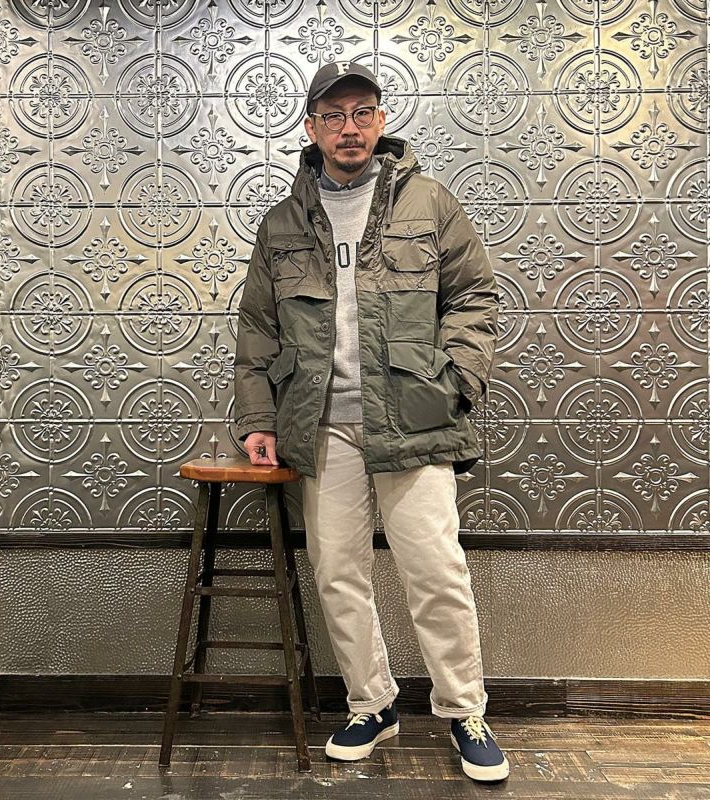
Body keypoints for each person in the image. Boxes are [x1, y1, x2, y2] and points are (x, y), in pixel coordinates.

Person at [233, 61, 507, 783]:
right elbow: (257, 328)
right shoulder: (282, 222)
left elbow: (475, 295)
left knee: (436, 571)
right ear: (311, 128)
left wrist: (458, 380)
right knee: (337, 574)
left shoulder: (430, 200)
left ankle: (465, 710)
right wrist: (258, 417)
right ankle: (371, 704)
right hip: (321, 423)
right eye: (333, 116)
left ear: (381, 121)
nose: (348, 129)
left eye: (361, 113)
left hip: (414, 420)